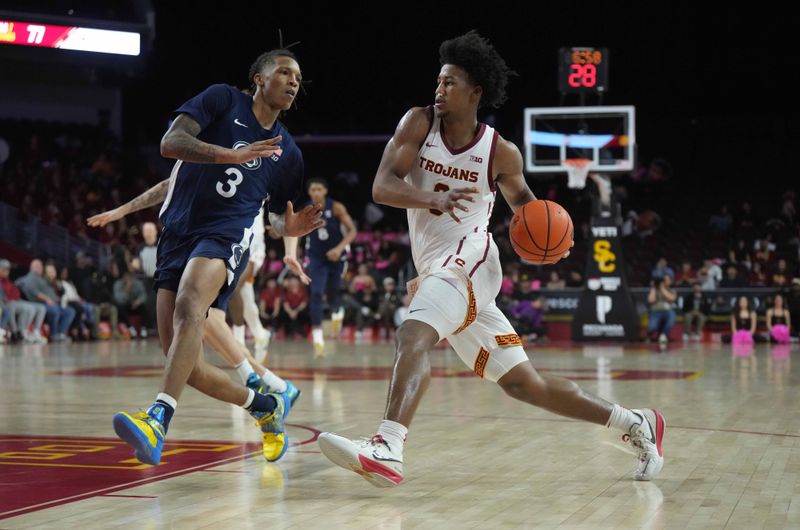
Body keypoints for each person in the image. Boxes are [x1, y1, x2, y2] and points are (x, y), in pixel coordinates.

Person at [318, 32, 665, 487]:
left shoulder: (500, 152)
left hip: (472, 259)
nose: (439, 89)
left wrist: (554, 241)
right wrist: (432, 199)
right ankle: (636, 422)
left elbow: (529, 209)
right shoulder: (418, 124)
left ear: (475, 91)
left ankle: (388, 446)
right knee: (524, 385)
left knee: (412, 333)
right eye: (438, 81)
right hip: (437, 266)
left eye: (450, 82)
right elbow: (382, 187)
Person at [95, 48, 323, 466]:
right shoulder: (222, 99)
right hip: (177, 232)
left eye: (298, 77)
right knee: (186, 366)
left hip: (225, 235)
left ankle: (157, 420)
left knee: (190, 305)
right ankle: (265, 406)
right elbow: (171, 143)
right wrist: (230, 154)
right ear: (259, 77)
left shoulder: (288, 152)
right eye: (284, 72)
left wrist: (287, 231)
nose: (294, 81)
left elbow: (277, 216)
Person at [301, 178, 357, 356]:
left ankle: (337, 311)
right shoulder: (306, 209)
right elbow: (295, 232)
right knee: (316, 293)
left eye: (319, 189)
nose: (316, 192)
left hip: (336, 256)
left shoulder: (336, 207)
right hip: (316, 257)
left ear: (325, 191)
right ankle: (318, 336)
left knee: (332, 294)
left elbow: (353, 231)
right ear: (309, 192)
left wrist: (339, 249)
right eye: (313, 189)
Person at [15, 259, 75, 342]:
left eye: (41, 267)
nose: (41, 269)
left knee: (70, 311)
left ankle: (60, 333)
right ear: (34, 267)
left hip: (54, 303)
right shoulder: (31, 278)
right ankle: (53, 334)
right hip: (41, 303)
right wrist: (47, 299)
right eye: (39, 267)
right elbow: (35, 292)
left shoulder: (42, 279)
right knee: (54, 310)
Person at [0, 259, 47, 343]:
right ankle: (16, 332)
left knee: (38, 307)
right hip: (7, 302)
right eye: (4, 269)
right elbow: (6, 296)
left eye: (8, 269)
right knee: (13, 308)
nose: (7, 271)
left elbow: (16, 293)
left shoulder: (7, 281)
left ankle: (28, 332)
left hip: (15, 300)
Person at [113, 271, 148, 337]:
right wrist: (127, 289)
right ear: (123, 278)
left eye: (129, 277)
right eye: (126, 277)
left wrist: (138, 302)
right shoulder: (118, 284)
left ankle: (143, 329)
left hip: (135, 305)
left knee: (143, 308)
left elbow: (143, 295)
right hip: (125, 305)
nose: (127, 279)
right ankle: (130, 328)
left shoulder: (137, 283)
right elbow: (119, 300)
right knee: (121, 309)